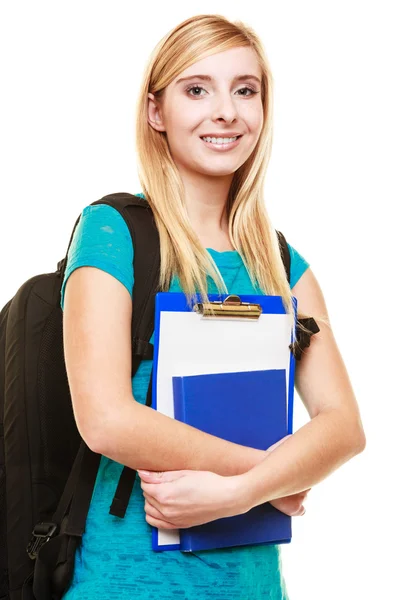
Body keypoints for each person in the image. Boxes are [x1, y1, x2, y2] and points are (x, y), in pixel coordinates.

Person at [60, 13, 366, 600]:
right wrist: (267, 477)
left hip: (253, 585)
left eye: (244, 90)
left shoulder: (281, 262)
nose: (225, 111)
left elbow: (344, 425)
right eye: (196, 89)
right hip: (129, 584)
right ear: (157, 112)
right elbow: (106, 419)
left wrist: (238, 493)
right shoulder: (114, 233)